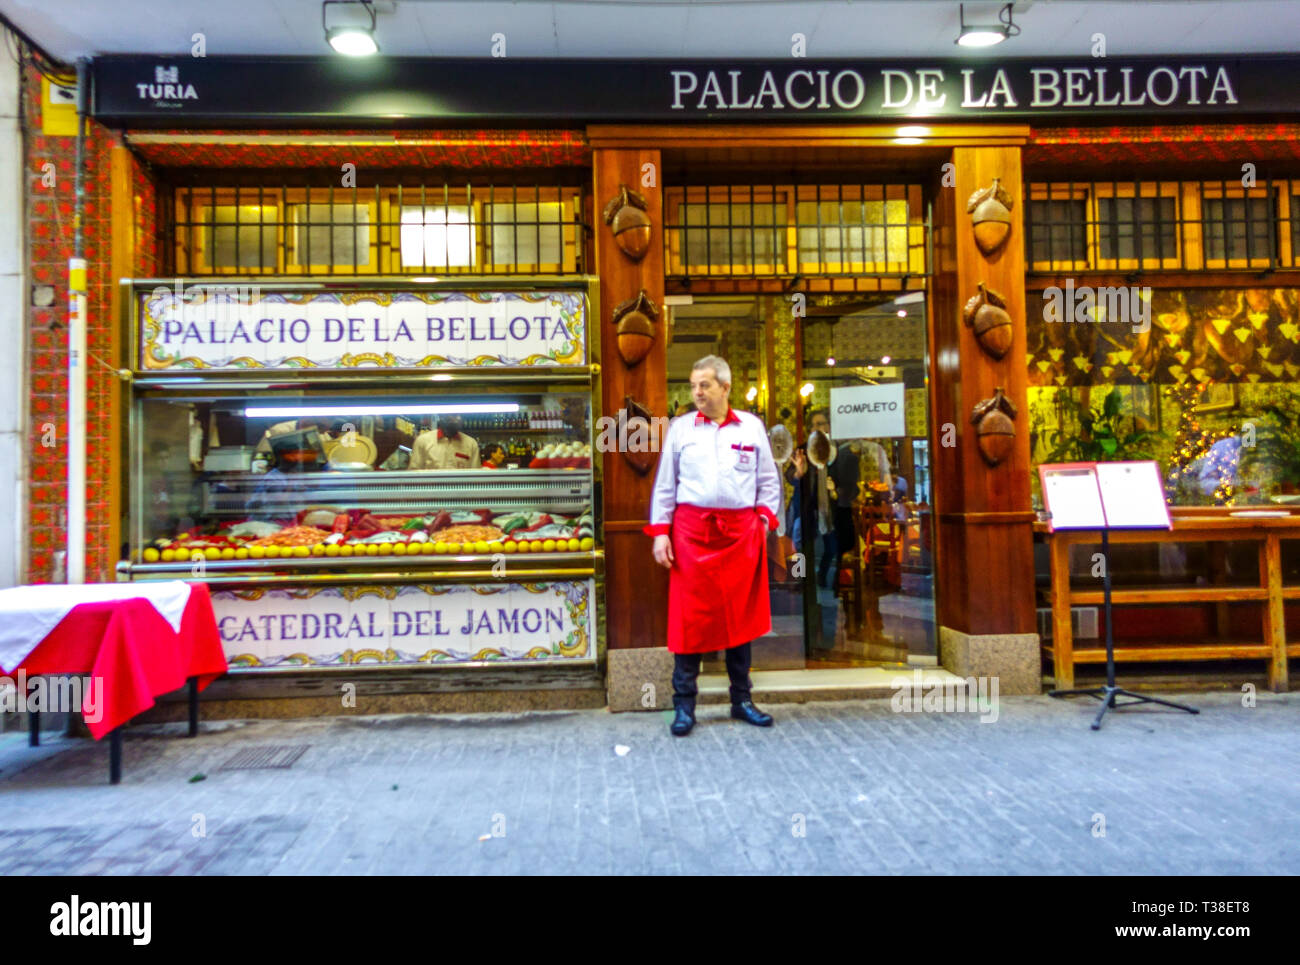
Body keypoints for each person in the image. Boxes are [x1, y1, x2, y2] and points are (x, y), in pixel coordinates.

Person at [645, 355, 781, 737]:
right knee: (690, 623)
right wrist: (660, 534)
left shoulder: (752, 428)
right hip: (691, 535)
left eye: (703, 385)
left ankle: (742, 701)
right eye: (692, 386)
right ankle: (684, 707)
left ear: (725, 387)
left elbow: (769, 483)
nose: (697, 393)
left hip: (740, 536)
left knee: (740, 622)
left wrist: (763, 522)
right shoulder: (681, 428)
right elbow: (666, 485)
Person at [409, 414, 479, 470]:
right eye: (454, 415)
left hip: (461, 487)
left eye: (461, 415)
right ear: (442, 416)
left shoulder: (471, 444)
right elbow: (413, 474)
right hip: (431, 487)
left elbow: (477, 477)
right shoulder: (423, 441)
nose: (459, 419)